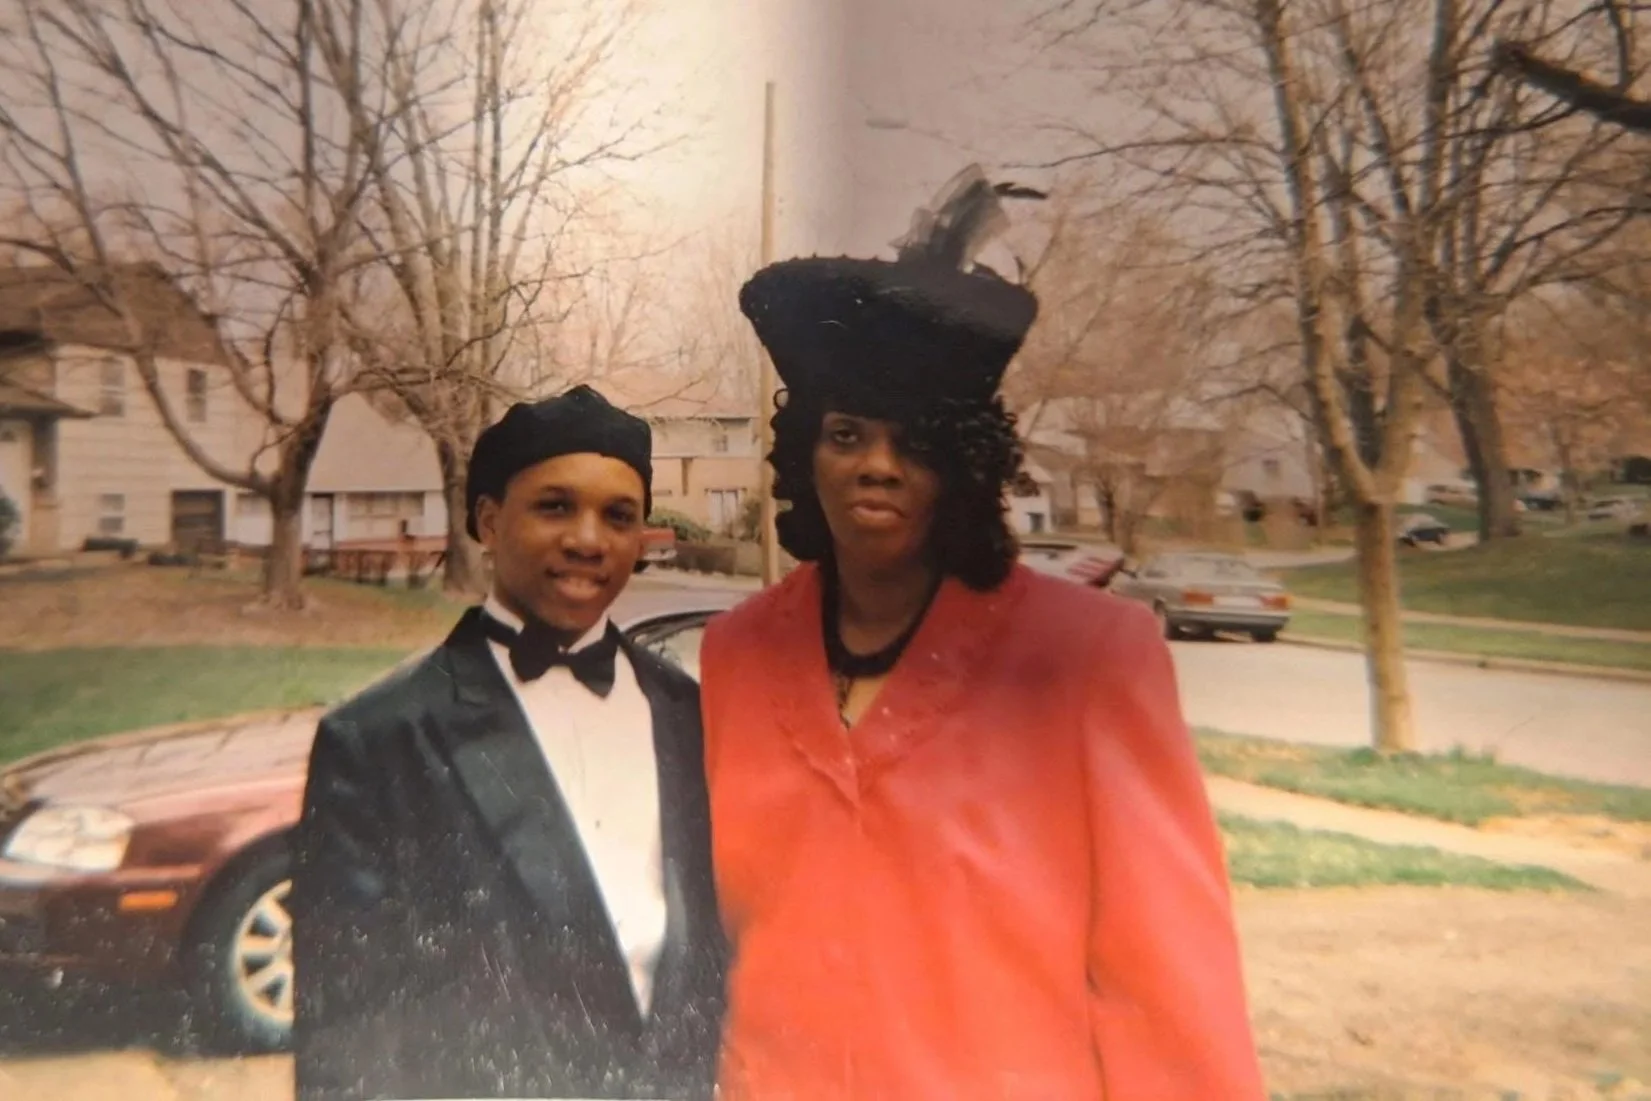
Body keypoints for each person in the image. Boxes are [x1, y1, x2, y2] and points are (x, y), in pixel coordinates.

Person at [698, 167, 1267, 1100]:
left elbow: (1169, 989)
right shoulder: (736, 654)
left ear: (967, 462)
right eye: (845, 434)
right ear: (803, 452)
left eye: (916, 441)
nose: (877, 465)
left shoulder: (1086, 659)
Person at [290, 385, 725, 1101]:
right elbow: (347, 1029)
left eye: (619, 516)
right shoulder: (379, 739)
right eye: (555, 506)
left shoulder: (687, 711)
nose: (588, 539)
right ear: (489, 521)